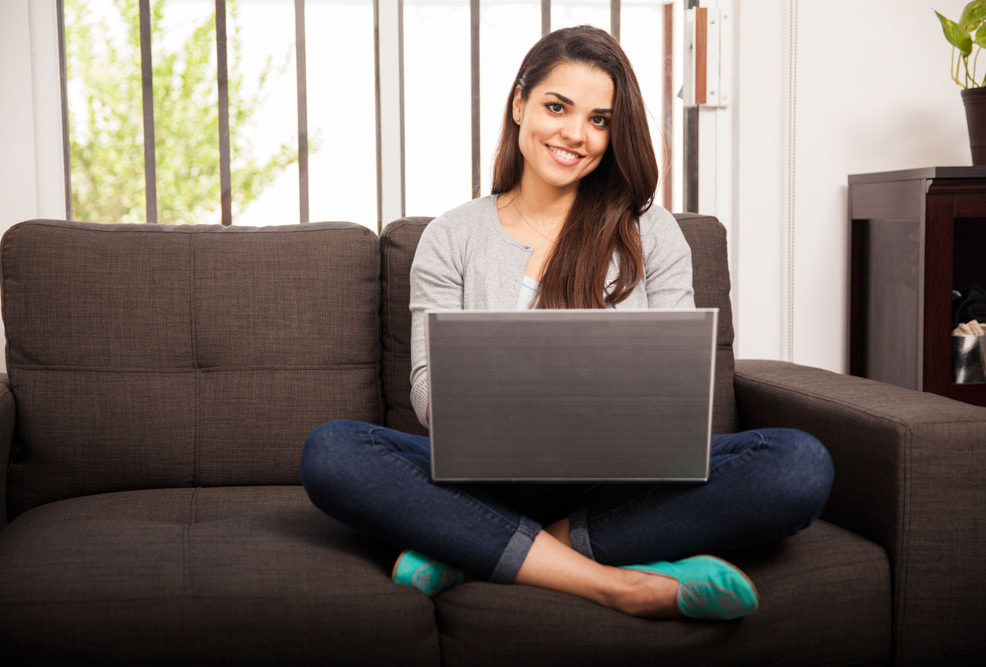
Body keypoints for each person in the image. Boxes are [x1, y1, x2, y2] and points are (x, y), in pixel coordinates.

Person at [300, 25, 834, 621]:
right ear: (520, 103)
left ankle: (480, 546)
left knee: (798, 466)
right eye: (558, 107)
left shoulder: (648, 230)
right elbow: (426, 397)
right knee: (333, 452)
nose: (576, 135)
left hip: (622, 483)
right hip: (487, 479)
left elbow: (681, 388)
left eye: (600, 119)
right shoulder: (450, 237)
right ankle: (616, 584)